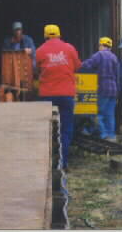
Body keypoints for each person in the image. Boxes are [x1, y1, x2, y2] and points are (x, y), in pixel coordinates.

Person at [36, 24, 82, 170]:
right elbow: (78, 66)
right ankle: (63, 163)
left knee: (47, 130)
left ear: (45, 36)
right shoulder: (69, 48)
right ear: (59, 34)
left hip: (47, 96)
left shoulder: (40, 51)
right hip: (66, 95)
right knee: (66, 129)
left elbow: (34, 69)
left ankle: (46, 165)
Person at [80, 37, 120, 140]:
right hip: (113, 89)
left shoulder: (99, 55)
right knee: (110, 114)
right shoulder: (114, 57)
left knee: (98, 112)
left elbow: (87, 65)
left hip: (103, 87)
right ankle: (111, 135)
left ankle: (103, 135)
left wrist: (77, 65)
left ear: (101, 45)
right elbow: (117, 75)